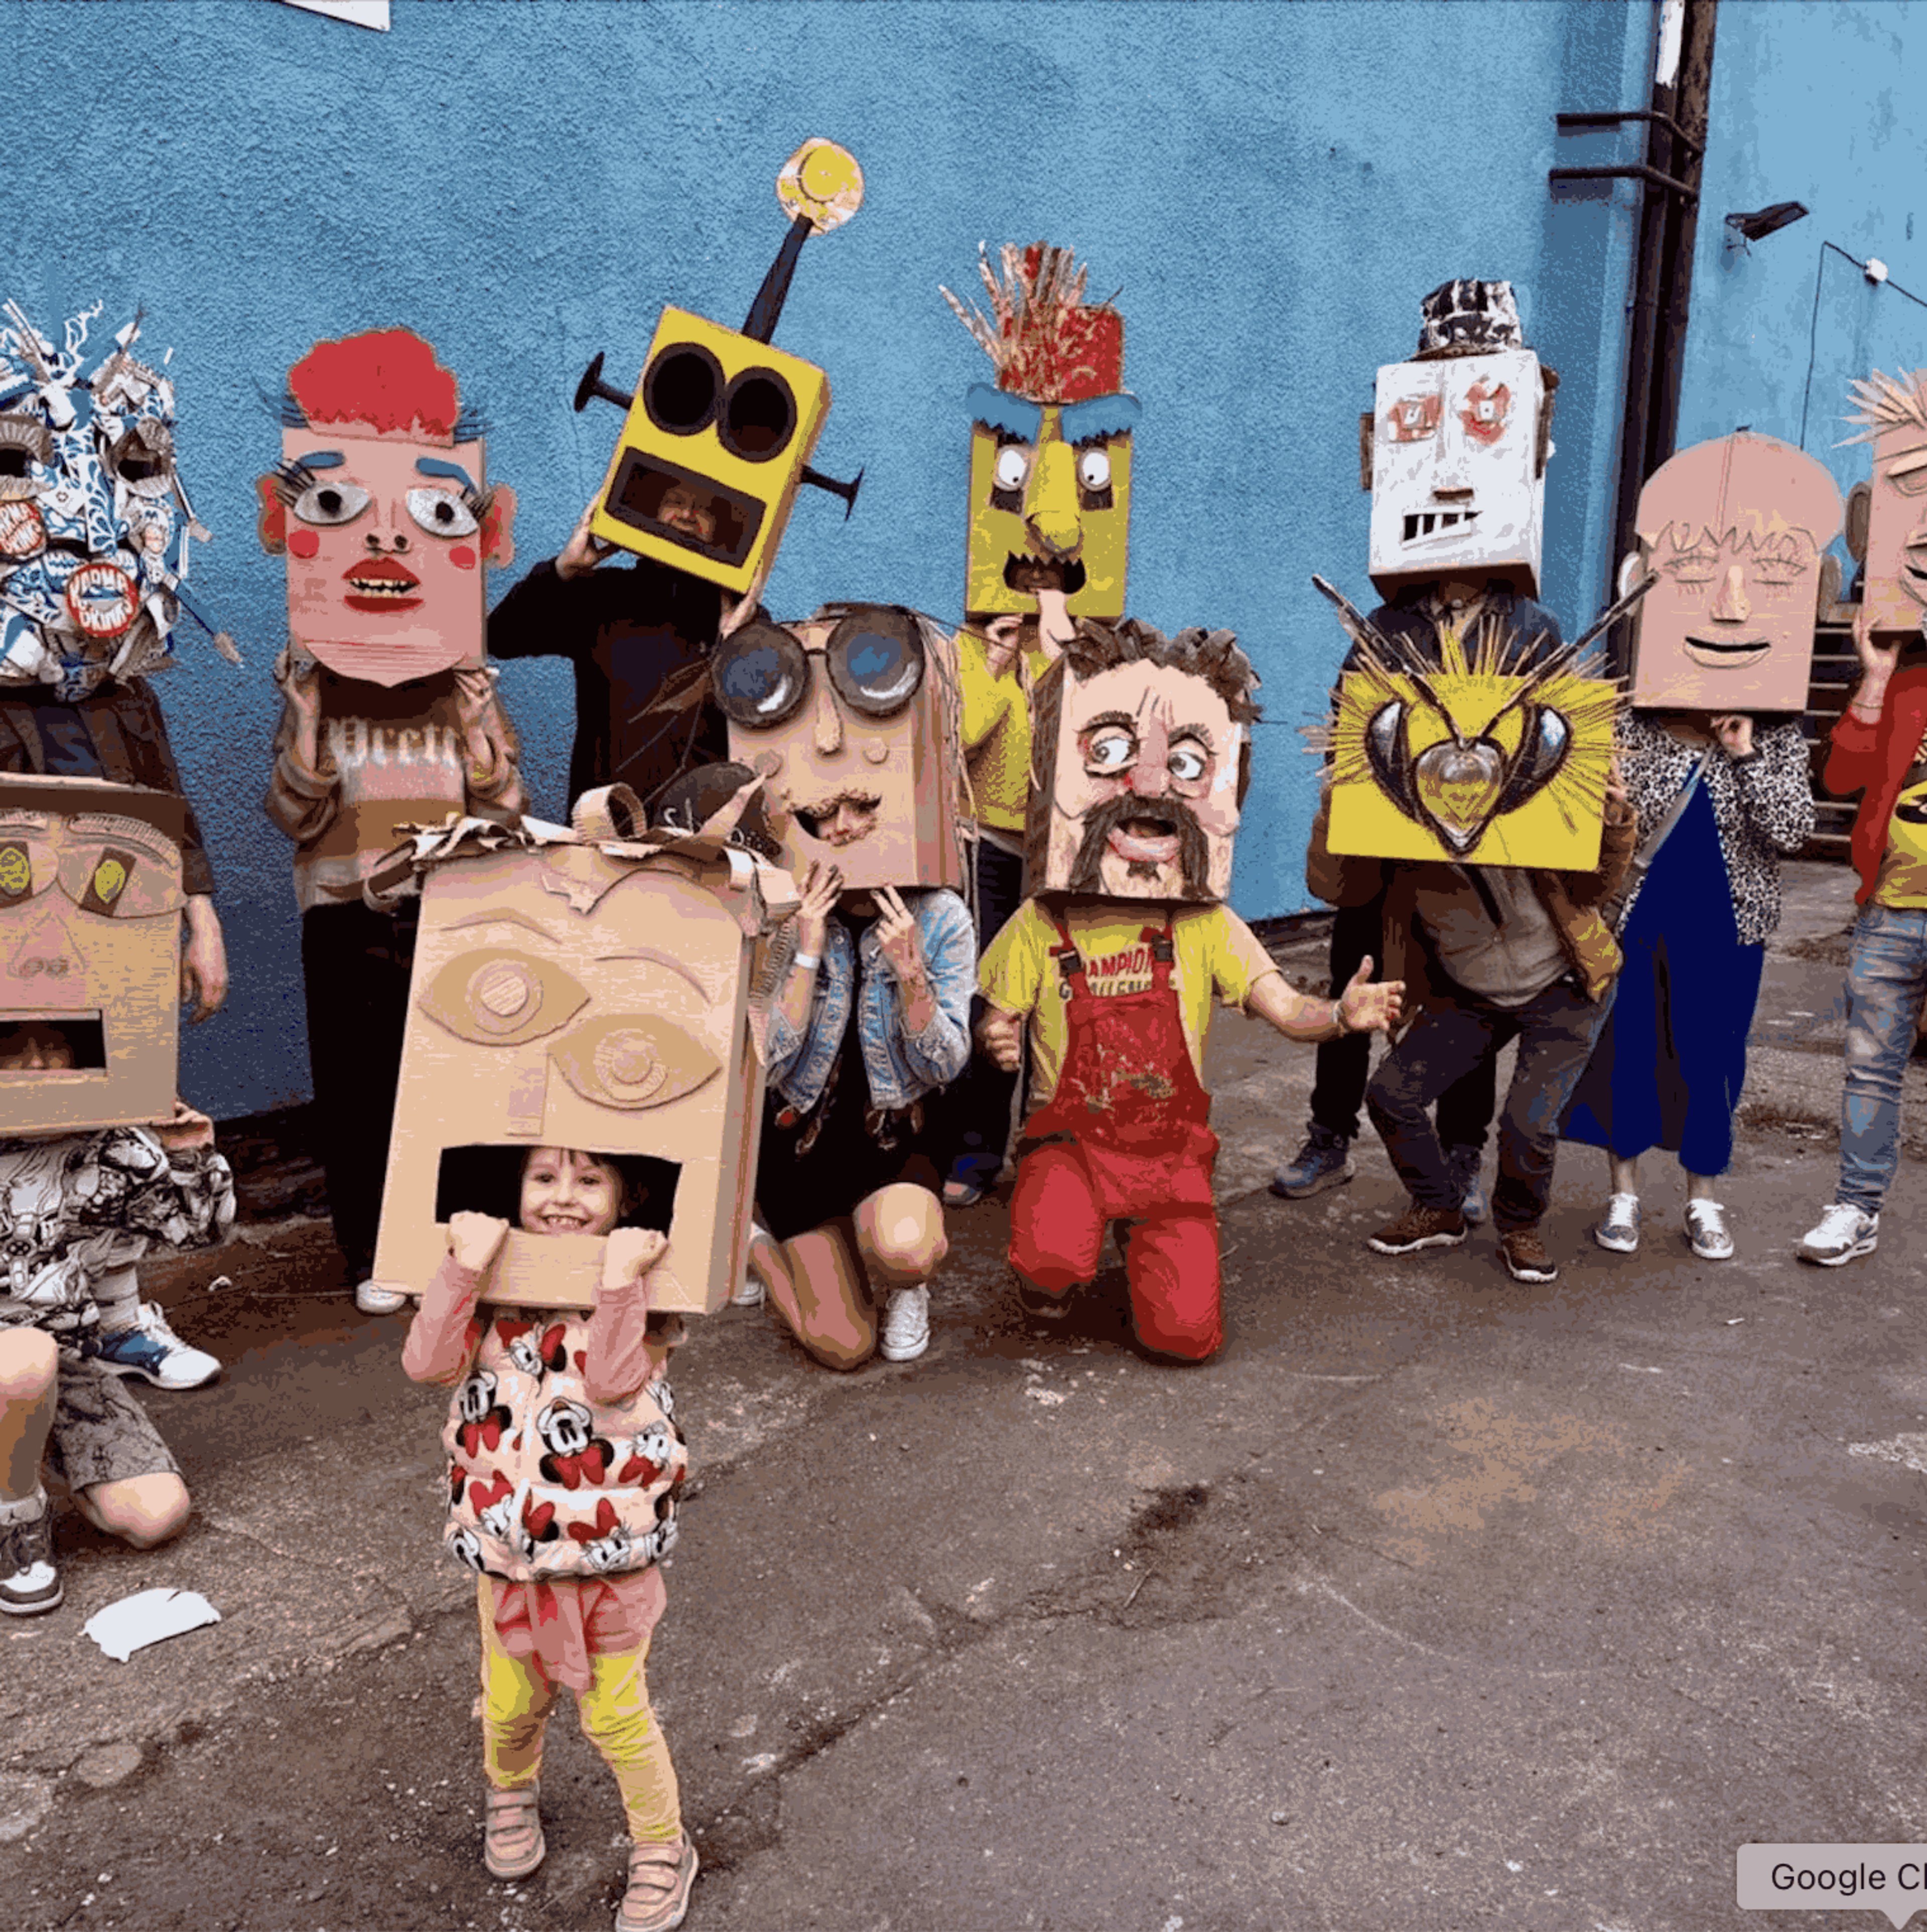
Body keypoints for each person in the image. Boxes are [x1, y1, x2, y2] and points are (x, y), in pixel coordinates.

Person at [978, 617, 1403, 1362]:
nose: (1148, 786)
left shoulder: (1206, 924)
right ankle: (1057, 1267)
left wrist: (1338, 1014)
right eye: (1109, 754)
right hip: (1071, 1145)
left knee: (1186, 1339)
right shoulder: (1042, 921)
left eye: (1183, 762)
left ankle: (1143, 1241)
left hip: (1169, 1155)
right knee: (1051, 1259)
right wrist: (998, 1035)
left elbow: (1284, 1008)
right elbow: (998, 1016)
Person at [1278, 278, 1565, 1217]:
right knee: (1356, 976)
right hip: (1383, 853)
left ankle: (1463, 1150)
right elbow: (1346, 724)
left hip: (1479, 858)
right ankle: (1330, 1134)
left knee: (1464, 1000)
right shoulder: (1385, 627)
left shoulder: (1532, 628)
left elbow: (1560, 746)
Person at [259, 328, 527, 1310]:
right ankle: (376, 1253)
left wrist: (476, 716)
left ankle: (455, 1243)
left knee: (452, 1084)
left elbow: (506, 807)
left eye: (430, 514)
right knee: (360, 1089)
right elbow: (293, 815)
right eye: (343, 508)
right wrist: (307, 719)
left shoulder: (461, 688)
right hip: (343, 913)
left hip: (445, 910)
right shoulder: (313, 683)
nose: (383, 540)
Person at [0, 299, 229, 1390]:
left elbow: (163, 804)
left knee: (123, 1107)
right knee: (30, 1120)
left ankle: (122, 1317)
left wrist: (200, 917)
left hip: (115, 922)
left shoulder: (122, 686)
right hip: (17, 935)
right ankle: (38, 1326)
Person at [402, 1145, 697, 1932]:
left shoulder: (646, 1291)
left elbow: (611, 1382)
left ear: (627, 1196)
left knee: (617, 1718)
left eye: (589, 1180)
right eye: (544, 1177)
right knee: (509, 1706)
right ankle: (511, 1791)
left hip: (608, 1564)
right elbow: (426, 1363)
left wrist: (619, 1278)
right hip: (509, 1560)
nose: (563, 1196)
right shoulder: (492, 1294)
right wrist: (463, 1268)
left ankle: (663, 1843)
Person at [1311, 763, 1637, 1284]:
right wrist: (1337, 811)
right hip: (1471, 993)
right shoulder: (1397, 826)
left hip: (1563, 985)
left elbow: (1595, 886)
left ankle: (1519, 1226)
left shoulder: (1532, 799)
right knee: (1392, 1095)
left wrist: (1614, 820)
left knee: (1528, 1124)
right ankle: (1439, 1208)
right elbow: (1337, 888)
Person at [0, 1022, 234, 1616]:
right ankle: (15, 1516)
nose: (38, 1064)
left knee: (157, 1516)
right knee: (22, 1358)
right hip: (15, 1361)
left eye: (53, 1045)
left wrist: (190, 1155)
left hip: (63, 1362)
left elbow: (200, 1232)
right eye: (14, 1046)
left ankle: (21, 1457)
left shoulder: (110, 1144)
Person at [745, 864, 975, 1367]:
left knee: (907, 1249)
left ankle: (906, 1285)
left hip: (893, 1140)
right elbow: (767, 1065)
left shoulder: (941, 914)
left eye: (862, 816)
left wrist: (911, 973)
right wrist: (806, 951)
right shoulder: (779, 904)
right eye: (827, 821)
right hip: (802, 1145)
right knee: (844, 1346)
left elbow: (943, 1066)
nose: (845, 829)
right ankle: (754, 1245)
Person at [1795, 616, 1927, 1265]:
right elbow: (1841, 778)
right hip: (1892, 913)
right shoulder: (1904, 685)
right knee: (1872, 1070)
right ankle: (1857, 1207)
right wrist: (1875, 680)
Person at [487, 488, 727, 811]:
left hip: (705, 831)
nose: (686, 515)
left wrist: (739, 634)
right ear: (652, 514)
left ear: (718, 528)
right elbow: (500, 637)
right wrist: (562, 569)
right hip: (602, 826)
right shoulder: (602, 595)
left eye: (703, 508)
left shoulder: (737, 616)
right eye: (675, 502)